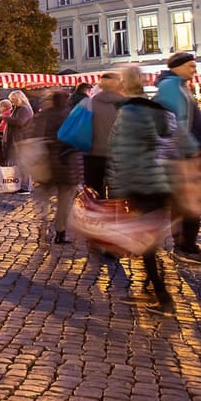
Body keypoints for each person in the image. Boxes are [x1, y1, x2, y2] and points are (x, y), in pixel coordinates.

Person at [108, 65, 177, 315]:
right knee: (149, 240)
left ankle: (162, 295)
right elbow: (170, 136)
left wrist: (118, 190)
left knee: (145, 243)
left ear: (123, 85)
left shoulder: (129, 113)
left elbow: (121, 152)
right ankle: (153, 286)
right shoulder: (156, 109)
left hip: (140, 185)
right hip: (159, 182)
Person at [154, 52, 201, 259]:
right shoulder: (171, 89)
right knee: (189, 201)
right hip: (180, 155)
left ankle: (184, 243)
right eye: (191, 66)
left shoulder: (180, 86)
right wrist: (192, 149)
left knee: (185, 200)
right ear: (178, 66)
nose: (194, 70)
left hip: (182, 153)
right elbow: (178, 124)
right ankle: (185, 245)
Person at [31, 89, 81, 244]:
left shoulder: (43, 115)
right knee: (64, 200)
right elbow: (76, 138)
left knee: (43, 198)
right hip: (66, 164)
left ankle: (42, 227)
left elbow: (34, 136)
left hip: (47, 163)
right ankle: (60, 232)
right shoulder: (70, 115)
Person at [85, 71, 123, 200]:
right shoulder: (125, 104)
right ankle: (115, 218)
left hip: (93, 154)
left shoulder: (89, 103)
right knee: (117, 195)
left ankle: (97, 218)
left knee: (95, 194)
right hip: (118, 155)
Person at [4, 90, 34, 194]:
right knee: (18, 163)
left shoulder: (24, 109)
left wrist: (6, 118)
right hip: (19, 139)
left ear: (19, 98)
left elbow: (20, 122)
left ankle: (25, 187)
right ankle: (18, 185)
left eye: (13, 100)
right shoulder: (19, 108)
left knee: (23, 164)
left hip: (22, 140)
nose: (12, 102)